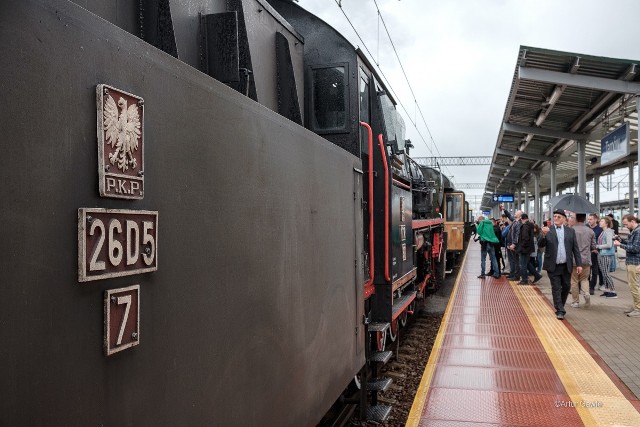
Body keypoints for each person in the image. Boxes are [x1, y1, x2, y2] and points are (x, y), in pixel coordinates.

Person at [539, 209, 582, 320]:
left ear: (564, 219)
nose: (556, 218)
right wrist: (543, 235)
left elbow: (575, 248)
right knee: (556, 287)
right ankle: (560, 310)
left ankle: (560, 306)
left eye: (559, 217)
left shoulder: (570, 231)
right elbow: (540, 245)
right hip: (553, 265)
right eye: (555, 216)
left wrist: (579, 264)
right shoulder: (548, 230)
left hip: (566, 265)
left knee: (566, 287)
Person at [614, 215, 640, 317]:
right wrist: (621, 241)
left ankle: (638, 309)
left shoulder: (638, 232)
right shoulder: (635, 231)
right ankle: (635, 306)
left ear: (632, 221)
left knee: (634, 286)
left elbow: (635, 249)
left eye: (626, 224)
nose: (625, 226)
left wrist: (620, 245)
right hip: (632, 262)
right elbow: (631, 244)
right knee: (633, 286)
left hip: (635, 263)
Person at [568, 214, 595, 309]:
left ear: (576, 219)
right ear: (584, 219)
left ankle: (575, 302)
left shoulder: (571, 230)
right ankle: (586, 293)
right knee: (584, 279)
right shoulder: (590, 231)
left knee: (574, 281)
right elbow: (593, 246)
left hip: (574, 260)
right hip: (586, 260)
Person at [516, 213, 542, 285]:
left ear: (522, 219)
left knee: (523, 265)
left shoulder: (525, 226)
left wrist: (521, 247)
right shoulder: (530, 225)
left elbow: (525, 238)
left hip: (524, 249)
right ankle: (537, 275)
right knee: (527, 263)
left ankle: (524, 280)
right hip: (529, 248)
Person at [596, 216, 617, 298]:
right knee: (604, 273)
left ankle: (613, 291)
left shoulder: (608, 232)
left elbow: (609, 244)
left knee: (606, 273)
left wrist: (598, 246)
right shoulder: (603, 231)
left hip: (606, 255)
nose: (600, 222)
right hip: (602, 254)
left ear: (606, 223)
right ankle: (607, 290)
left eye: (601, 221)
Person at [587, 213, 602, 295]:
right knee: (587, 271)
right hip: (587, 252)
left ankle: (592, 287)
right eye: (588, 219)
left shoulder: (599, 229)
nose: (589, 221)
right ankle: (587, 286)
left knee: (595, 271)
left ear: (595, 220)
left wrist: (597, 249)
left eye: (591, 219)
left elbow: (601, 241)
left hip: (595, 253)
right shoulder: (586, 228)